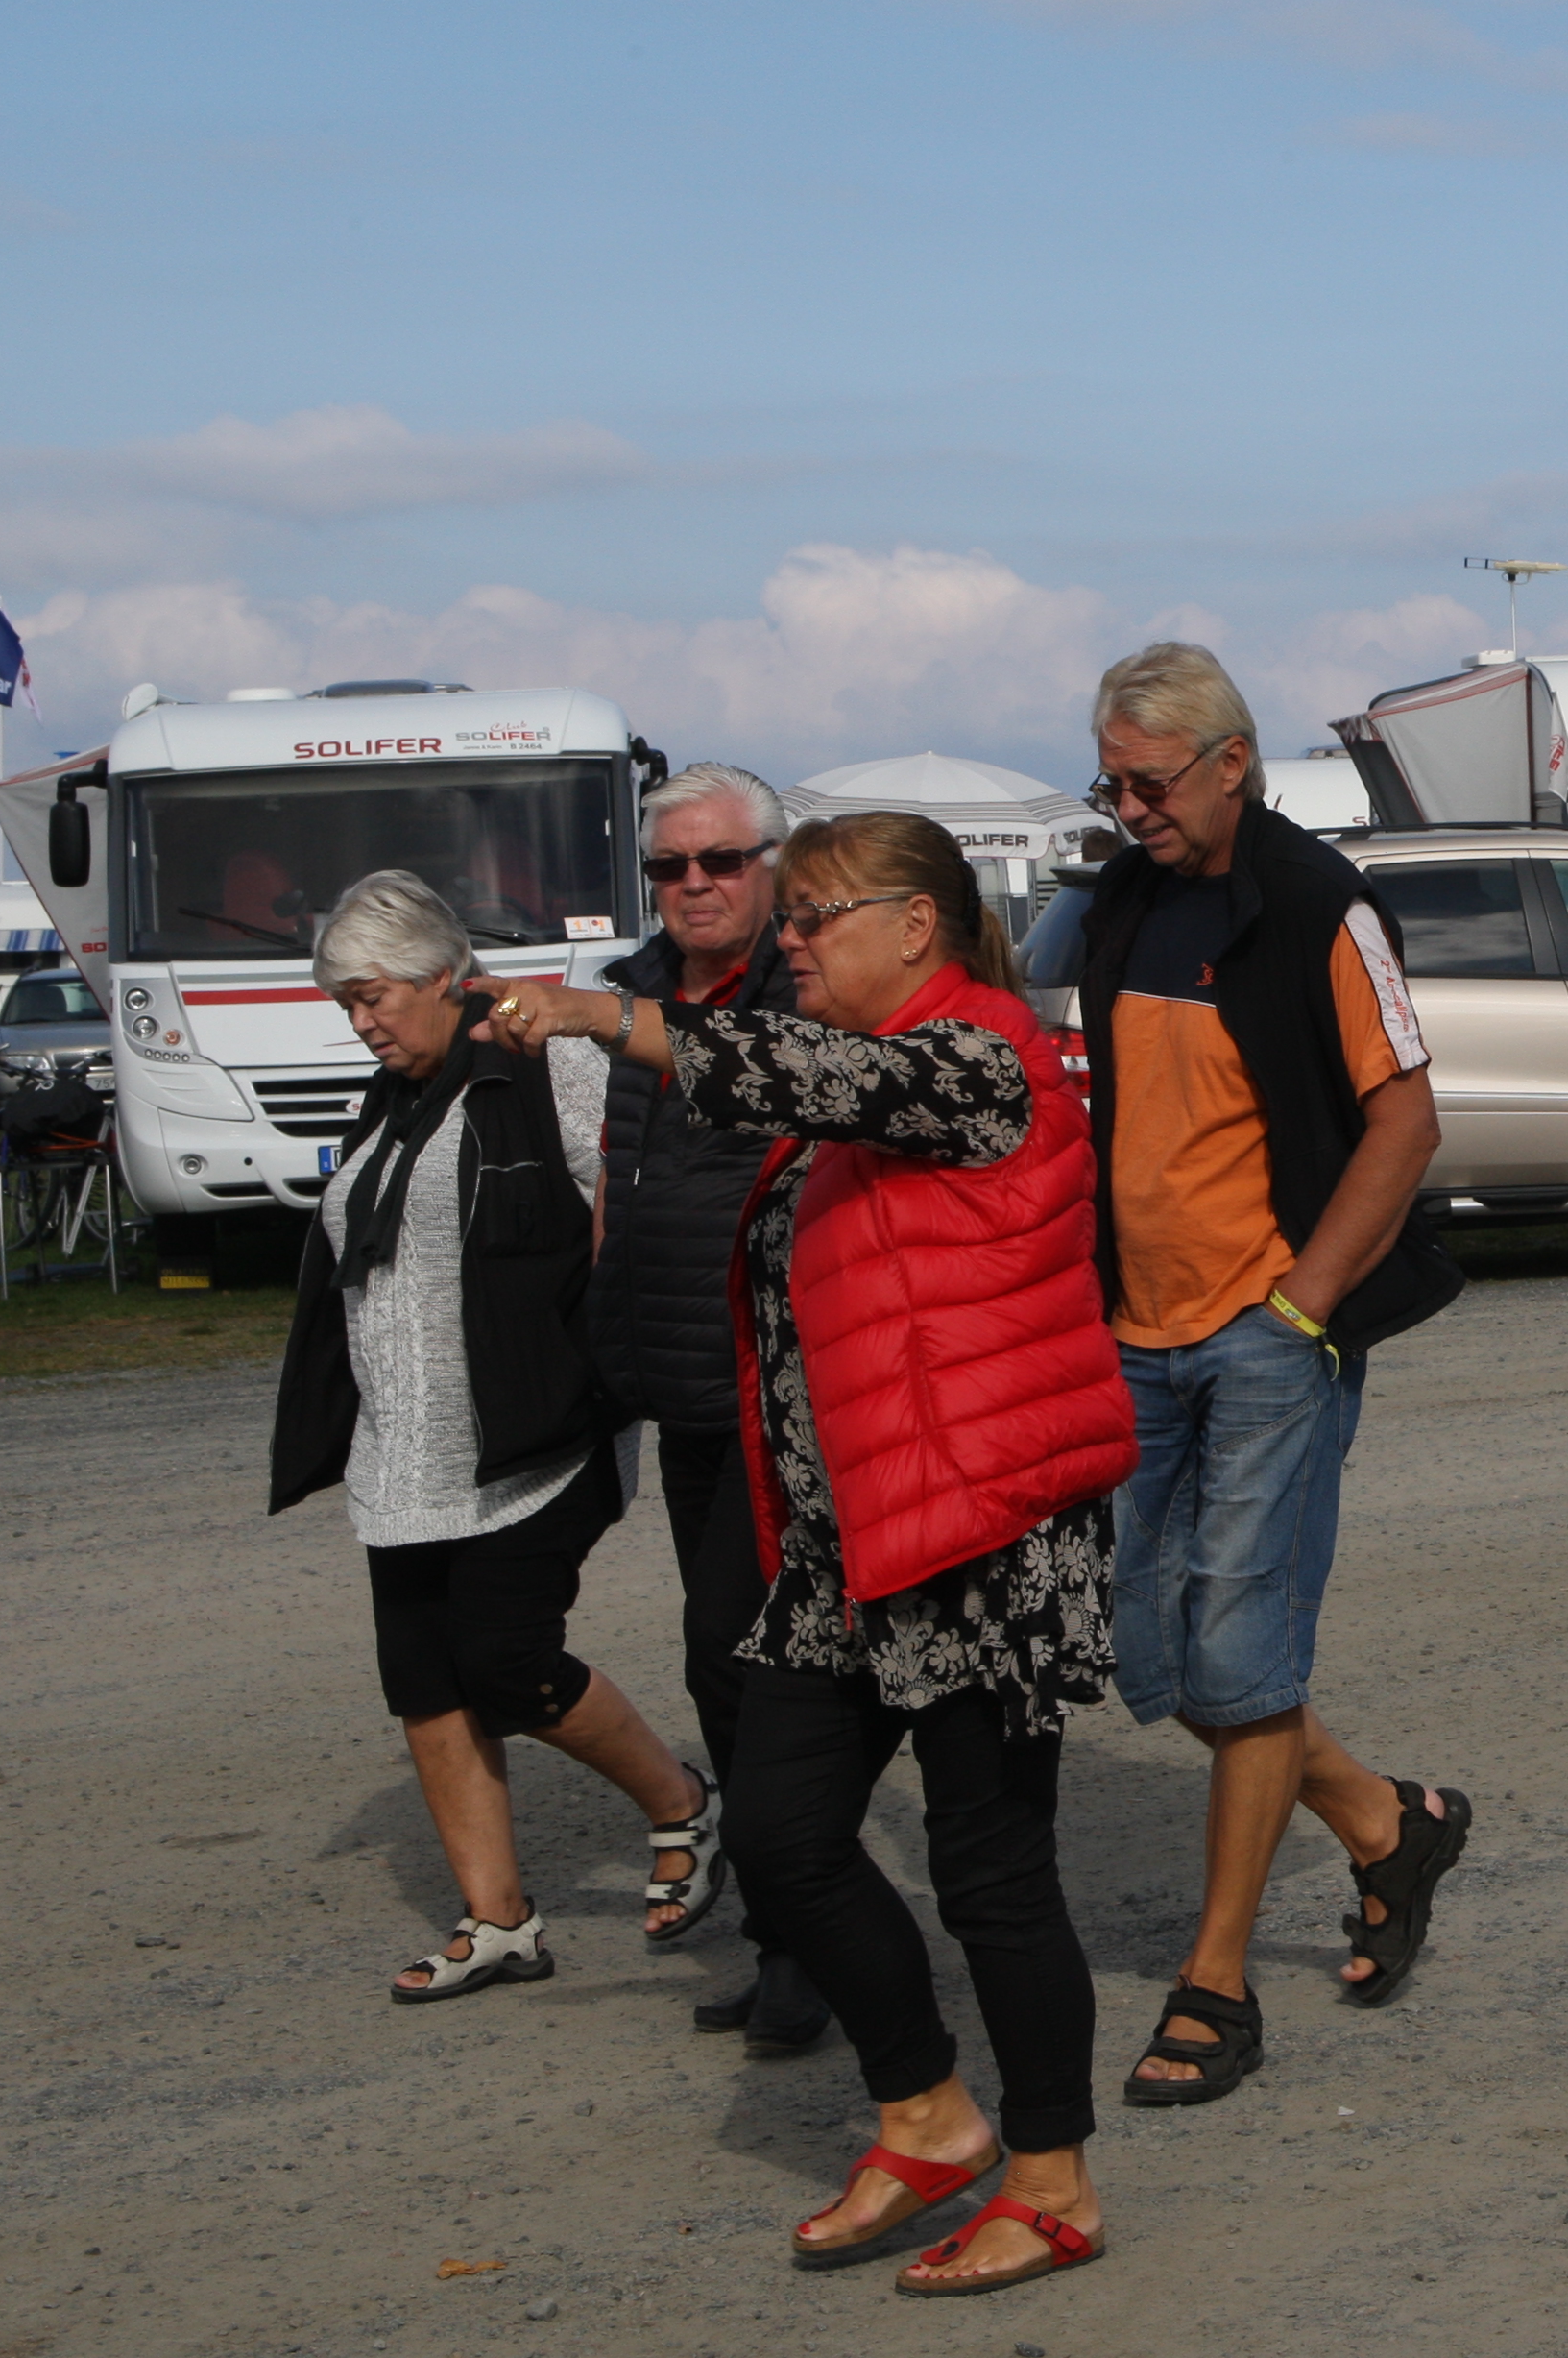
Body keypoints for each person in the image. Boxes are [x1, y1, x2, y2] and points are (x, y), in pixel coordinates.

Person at [483, 812, 1132, 2299]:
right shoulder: (868, 1073)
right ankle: (928, 2115)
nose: (790, 937)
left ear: (916, 925)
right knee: (781, 1836)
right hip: (848, 1545)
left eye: (815, 913)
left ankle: (1054, 2183)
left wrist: (595, 1014)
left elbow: (801, 1071)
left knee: (990, 1875)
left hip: (979, 1535)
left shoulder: (981, 1059)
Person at [1073, 641, 1470, 2107]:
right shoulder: (1123, 902)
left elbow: (1407, 1123)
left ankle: (1217, 1984)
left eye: (1149, 783)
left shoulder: (1320, 903)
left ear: (1231, 762)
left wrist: (1303, 1307)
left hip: (1265, 1339)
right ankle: (1381, 1820)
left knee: (1241, 1666)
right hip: (1134, 1336)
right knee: (1143, 1651)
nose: (1131, 810)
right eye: (1111, 786)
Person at [267, 869, 720, 2006]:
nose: (362, 1024)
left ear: (442, 977)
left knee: (506, 1659)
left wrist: (615, 1353)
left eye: (373, 998)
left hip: (533, 1437)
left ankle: (683, 1804)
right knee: (424, 1680)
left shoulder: (545, 1061)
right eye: (346, 1006)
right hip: (403, 1454)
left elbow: (626, 1201)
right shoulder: (393, 1095)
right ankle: (498, 1920)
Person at [589, 760, 827, 2051]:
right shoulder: (635, 988)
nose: (693, 885)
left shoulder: (800, 992)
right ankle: (790, 1930)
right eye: (669, 866)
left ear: (770, 867)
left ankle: (811, 1946)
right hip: (682, 1386)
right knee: (719, 1659)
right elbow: (619, 1185)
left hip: (780, 1387)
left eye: (721, 861)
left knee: (759, 1661)